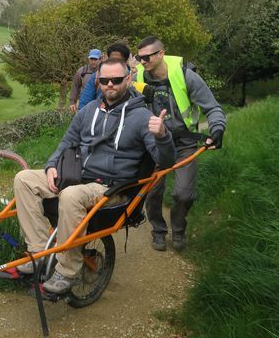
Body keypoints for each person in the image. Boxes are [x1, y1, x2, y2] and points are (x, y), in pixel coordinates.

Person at [13, 58, 176, 294]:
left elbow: (167, 161)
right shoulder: (88, 110)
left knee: (70, 195)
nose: (110, 84)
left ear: (128, 79)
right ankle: (39, 253)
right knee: (24, 179)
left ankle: (67, 270)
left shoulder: (141, 117)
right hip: (79, 176)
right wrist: (51, 166)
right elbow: (67, 142)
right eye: (104, 80)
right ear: (98, 81)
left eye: (117, 80)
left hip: (111, 187)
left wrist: (162, 136)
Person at [134, 35, 226, 252]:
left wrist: (217, 129)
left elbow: (212, 108)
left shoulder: (187, 76)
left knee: (183, 194)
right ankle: (158, 231)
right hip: (153, 144)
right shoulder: (136, 76)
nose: (143, 62)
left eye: (147, 58)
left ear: (161, 54)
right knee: (153, 191)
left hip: (185, 142)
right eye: (139, 57)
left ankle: (179, 229)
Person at [78, 42, 132, 110]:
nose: (115, 63)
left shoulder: (134, 78)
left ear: (126, 61)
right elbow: (84, 104)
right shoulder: (96, 77)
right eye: (104, 81)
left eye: (119, 61)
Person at [68, 48, 102, 112]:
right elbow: (75, 86)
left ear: (100, 59)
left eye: (95, 59)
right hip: (83, 103)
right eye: (91, 59)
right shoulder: (82, 71)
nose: (93, 61)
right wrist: (72, 102)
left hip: (99, 103)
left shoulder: (105, 71)